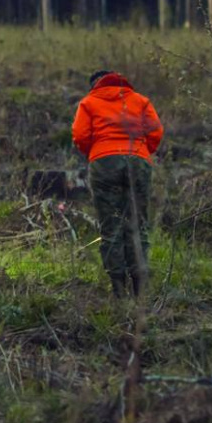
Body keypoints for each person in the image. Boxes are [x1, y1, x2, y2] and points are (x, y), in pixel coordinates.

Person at [71, 70, 163, 298]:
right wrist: (142, 151)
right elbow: (156, 132)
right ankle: (140, 288)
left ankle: (119, 289)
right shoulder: (141, 100)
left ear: (94, 85)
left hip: (104, 162)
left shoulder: (89, 102)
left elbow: (80, 135)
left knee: (111, 225)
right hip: (138, 160)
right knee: (137, 224)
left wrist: (96, 152)